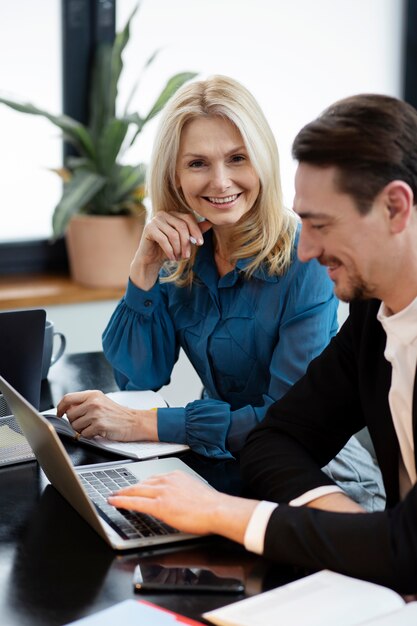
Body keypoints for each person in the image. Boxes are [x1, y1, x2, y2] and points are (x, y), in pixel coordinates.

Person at [108, 93, 417, 593]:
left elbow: (405, 550)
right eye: (198, 163)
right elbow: (275, 437)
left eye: (321, 224)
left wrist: (225, 513)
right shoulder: (372, 314)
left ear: (396, 208)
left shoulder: (313, 270)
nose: (309, 248)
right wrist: (364, 534)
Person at [57, 76, 383, 509]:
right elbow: (140, 378)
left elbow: (286, 421)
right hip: (220, 467)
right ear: (173, 173)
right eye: (197, 163)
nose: (221, 181)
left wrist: (146, 423)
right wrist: (144, 269)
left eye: (237, 158)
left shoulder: (308, 257)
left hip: (319, 479)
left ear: (262, 161)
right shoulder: (182, 252)